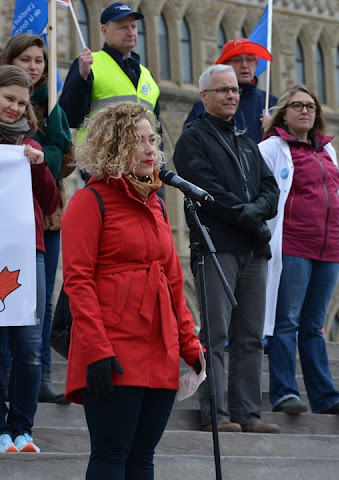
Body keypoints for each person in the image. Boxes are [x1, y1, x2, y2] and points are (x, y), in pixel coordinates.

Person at [61, 102, 202, 479]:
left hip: (160, 345)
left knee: (142, 459)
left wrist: (190, 345)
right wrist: (96, 349)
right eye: (137, 140)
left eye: (152, 140)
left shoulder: (155, 203)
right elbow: (78, 280)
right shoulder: (89, 201)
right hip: (113, 347)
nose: (149, 149)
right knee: (111, 456)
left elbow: (173, 281)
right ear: (113, 147)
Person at [173, 64, 280, 434]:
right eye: (222, 90)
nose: (231, 95)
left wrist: (255, 212)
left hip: (253, 251)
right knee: (215, 335)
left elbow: (271, 190)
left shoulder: (245, 140)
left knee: (250, 336)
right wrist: (248, 215)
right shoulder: (192, 139)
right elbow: (206, 190)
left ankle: (248, 413)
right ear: (204, 97)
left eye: (234, 89)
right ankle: (215, 412)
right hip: (217, 248)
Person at [258, 85, 339, 416]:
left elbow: (336, 192)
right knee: (286, 321)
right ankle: (285, 392)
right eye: (297, 106)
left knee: (314, 324)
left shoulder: (327, 152)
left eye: (310, 106)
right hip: (292, 244)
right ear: (283, 114)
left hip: (329, 247)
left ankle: (325, 397)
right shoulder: (271, 148)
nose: (305, 111)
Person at [0, 33, 75, 404]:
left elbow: (66, 165)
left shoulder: (48, 115)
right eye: (25, 59)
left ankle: (35, 389)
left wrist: (44, 161)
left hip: (38, 233)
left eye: (39, 61)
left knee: (37, 310)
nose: (33, 67)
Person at [0, 65, 60, 453]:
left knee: (29, 345)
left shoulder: (31, 146)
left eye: (22, 103)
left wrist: (39, 168)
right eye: (8, 98)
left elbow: (52, 202)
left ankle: (22, 427)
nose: (15, 108)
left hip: (28, 252)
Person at [59, 2, 159, 132]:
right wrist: (82, 78)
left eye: (133, 26)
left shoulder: (146, 75)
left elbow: (157, 130)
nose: (130, 32)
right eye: (123, 27)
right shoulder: (88, 64)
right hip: (101, 152)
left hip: (140, 151)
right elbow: (69, 117)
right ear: (104, 31)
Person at [183, 38, 278, 144]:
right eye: (237, 60)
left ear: (256, 64)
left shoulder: (272, 103)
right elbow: (189, 143)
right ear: (225, 66)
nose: (245, 65)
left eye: (249, 59)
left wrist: (276, 130)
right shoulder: (207, 103)